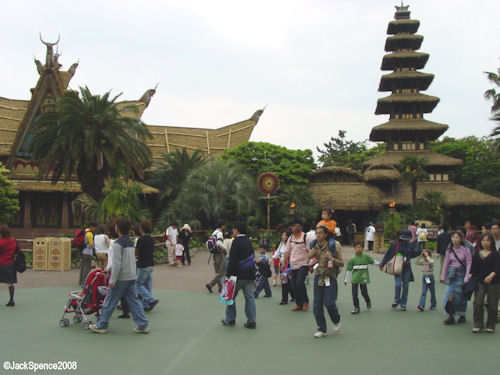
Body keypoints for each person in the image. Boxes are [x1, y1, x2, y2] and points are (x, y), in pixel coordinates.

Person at [89, 218, 149, 334]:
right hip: (131, 276)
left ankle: (101, 325)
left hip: (121, 278)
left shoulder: (117, 244)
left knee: (109, 301)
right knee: (134, 302)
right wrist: (110, 269)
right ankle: (143, 325)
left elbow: (117, 264)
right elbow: (127, 261)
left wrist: (112, 279)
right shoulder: (130, 242)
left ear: (117, 228)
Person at [308, 225, 344, 338]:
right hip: (319, 275)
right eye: (316, 233)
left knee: (329, 302)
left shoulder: (333, 246)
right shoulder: (315, 246)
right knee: (317, 304)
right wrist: (309, 257)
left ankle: (337, 320)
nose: (318, 235)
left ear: (325, 234)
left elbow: (341, 263)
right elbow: (309, 258)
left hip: (330, 276)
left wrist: (331, 258)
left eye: (320, 233)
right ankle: (321, 329)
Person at [221, 221, 256, 329]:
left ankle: (230, 319)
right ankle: (251, 321)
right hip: (249, 275)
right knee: (250, 298)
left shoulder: (236, 242)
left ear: (236, 230)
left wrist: (228, 275)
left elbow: (232, 260)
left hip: (237, 276)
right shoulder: (248, 242)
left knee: (230, 297)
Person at [379, 229, 421, 311]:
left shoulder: (410, 245)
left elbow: (415, 253)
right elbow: (388, 254)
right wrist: (382, 263)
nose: (407, 240)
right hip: (398, 267)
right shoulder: (395, 244)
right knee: (398, 285)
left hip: (407, 268)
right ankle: (396, 300)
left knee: (406, 286)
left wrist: (422, 251)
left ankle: (403, 303)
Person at [470, 233, 500, 333]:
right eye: (483, 240)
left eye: (487, 241)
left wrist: (491, 276)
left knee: (492, 304)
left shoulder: (496, 254)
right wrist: (469, 277)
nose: (485, 243)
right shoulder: (477, 254)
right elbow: (473, 269)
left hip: (494, 282)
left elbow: (497, 267)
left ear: (491, 242)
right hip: (480, 282)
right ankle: (478, 323)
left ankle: (490, 324)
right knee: (478, 302)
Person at [440, 231, 472, 325]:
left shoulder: (466, 250)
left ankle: (461, 314)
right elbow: (446, 263)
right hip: (451, 274)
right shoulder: (449, 250)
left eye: (457, 237)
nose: (455, 239)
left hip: (461, 274)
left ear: (461, 239)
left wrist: (467, 276)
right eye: (453, 237)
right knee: (448, 294)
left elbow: (469, 263)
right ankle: (451, 315)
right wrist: (443, 275)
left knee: (459, 295)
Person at [284, 220, 311, 312]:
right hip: (292, 264)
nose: (292, 227)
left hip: (303, 264)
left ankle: (305, 301)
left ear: (299, 227)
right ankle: (299, 304)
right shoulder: (291, 238)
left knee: (299, 283)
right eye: (291, 226)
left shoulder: (306, 237)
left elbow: (310, 251)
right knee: (293, 285)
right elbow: (287, 250)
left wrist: (311, 263)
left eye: (294, 225)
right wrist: (284, 261)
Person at [344, 242, 375, 314]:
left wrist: (381, 264)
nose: (358, 249)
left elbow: (373, 262)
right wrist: (346, 280)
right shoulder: (352, 259)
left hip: (363, 279)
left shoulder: (366, 257)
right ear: (354, 249)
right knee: (354, 294)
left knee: (364, 293)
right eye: (357, 247)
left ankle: (368, 301)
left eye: (360, 247)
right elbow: (348, 270)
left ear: (363, 249)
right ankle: (356, 308)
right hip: (355, 279)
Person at [135, 220, 159, 312]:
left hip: (143, 265)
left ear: (141, 229)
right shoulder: (151, 239)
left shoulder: (141, 239)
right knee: (147, 284)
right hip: (150, 264)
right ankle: (146, 304)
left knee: (137, 284)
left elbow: (137, 252)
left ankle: (151, 299)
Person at [205, 220, 227, 293]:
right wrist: (225, 247)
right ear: (222, 226)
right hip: (220, 253)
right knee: (221, 272)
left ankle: (220, 288)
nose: (225, 227)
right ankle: (210, 284)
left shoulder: (214, 232)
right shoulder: (220, 233)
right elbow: (219, 242)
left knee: (218, 272)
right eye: (224, 225)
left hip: (214, 254)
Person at [274, 230, 295, 305]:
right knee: (284, 282)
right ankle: (284, 299)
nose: (282, 237)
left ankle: (294, 295)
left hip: (289, 266)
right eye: (282, 235)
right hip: (282, 266)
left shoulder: (291, 245)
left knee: (290, 282)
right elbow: (276, 254)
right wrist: (272, 259)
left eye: (284, 235)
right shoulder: (281, 244)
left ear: (288, 237)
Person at [0, 225, 18, 306]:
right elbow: (18, 250)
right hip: (11, 263)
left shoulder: (1, 241)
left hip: (1, 263)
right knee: (10, 283)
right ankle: (11, 300)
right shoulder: (13, 240)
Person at [79, 221, 97, 287]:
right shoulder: (90, 234)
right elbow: (91, 244)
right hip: (88, 252)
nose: (95, 229)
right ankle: (85, 282)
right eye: (94, 227)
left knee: (83, 267)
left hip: (83, 251)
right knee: (87, 268)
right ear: (91, 227)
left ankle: (81, 281)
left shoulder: (85, 232)